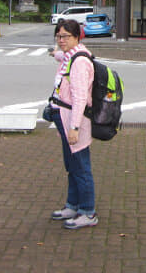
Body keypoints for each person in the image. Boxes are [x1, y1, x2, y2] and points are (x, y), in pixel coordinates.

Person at [49, 19, 98, 229]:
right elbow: (59, 54)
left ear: (77, 37)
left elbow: (80, 98)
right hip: (64, 119)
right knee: (72, 166)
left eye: (66, 36)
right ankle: (73, 205)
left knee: (81, 167)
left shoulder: (79, 62)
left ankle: (87, 212)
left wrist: (74, 128)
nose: (61, 41)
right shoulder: (69, 56)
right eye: (59, 36)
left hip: (74, 122)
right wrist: (54, 52)